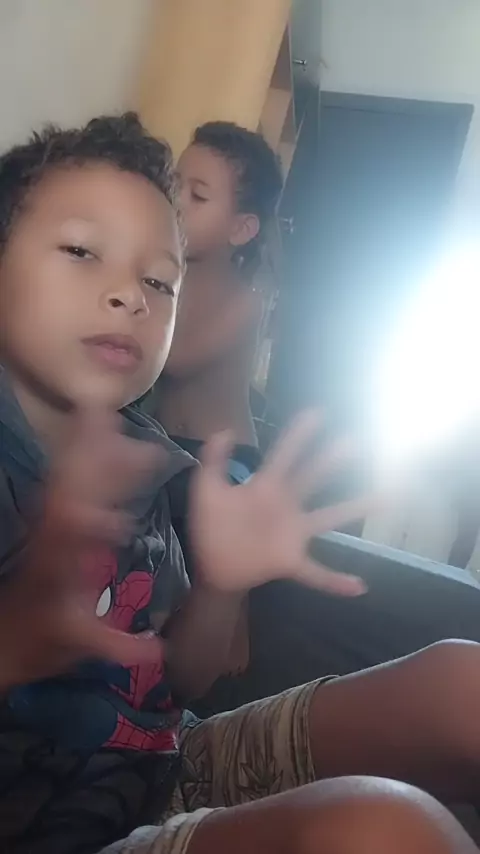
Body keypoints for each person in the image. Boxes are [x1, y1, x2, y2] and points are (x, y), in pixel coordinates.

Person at [0, 113, 477, 854]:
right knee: (384, 828)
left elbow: (180, 681)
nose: (130, 294)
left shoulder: (147, 461)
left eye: (160, 280)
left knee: (461, 683)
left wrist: (222, 586)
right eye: (82, 251)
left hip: (166, 764)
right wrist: (19, 646)